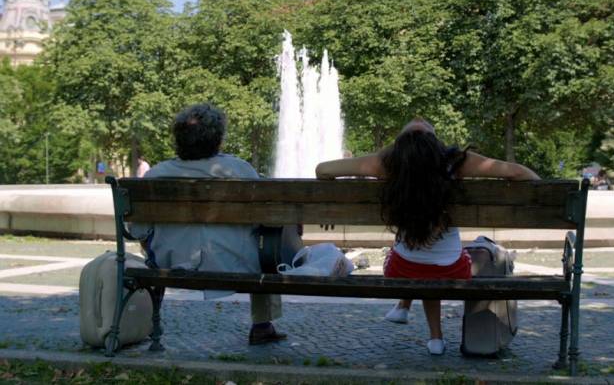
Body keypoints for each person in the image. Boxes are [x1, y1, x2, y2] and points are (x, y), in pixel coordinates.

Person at [315, 117, 540, 355]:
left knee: (414, 262)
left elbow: (323, 170)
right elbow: (517, 173)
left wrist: (333, 199)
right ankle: (431, 334)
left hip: (401, 270)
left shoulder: (386, 163)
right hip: (452, 269)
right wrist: (545, 193)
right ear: (436, 143)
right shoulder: (457, 162)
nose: (417, 119)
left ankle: (407, 308)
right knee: (436, 265)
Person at [130, 104, 285, 345]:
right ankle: (262, 324)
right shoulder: (240, 170)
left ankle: (153, 322)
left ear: (178, 138)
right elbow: (264, 221)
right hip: (235, 263)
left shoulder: (155, 175)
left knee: (151, 244)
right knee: (267, 250)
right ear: (218, 138)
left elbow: (138, 231)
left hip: (170, 263)